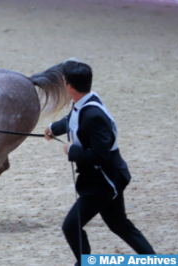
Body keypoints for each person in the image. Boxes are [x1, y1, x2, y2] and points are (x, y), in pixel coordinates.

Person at [44, 60, 155, 265]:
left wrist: (73, 150)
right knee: (119, 224)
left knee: (71, 226)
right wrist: (53, 128)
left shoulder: (94, 115)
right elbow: (73, 119)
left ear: (69, 86)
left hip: (103, 181)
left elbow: (99, 156)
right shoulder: (86, 101)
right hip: (102, 177)